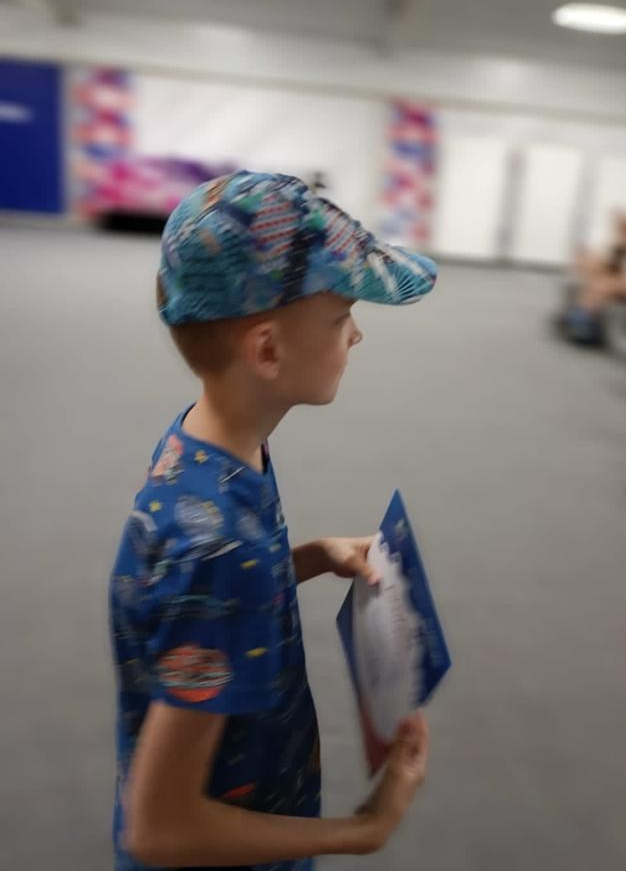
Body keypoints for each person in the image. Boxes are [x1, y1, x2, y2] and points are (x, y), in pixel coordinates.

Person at [110, 171, 437, 871]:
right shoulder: (220, 547)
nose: (356, 334)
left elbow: (194, 610)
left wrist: (309, 557)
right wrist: (362, 830)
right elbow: (159, 830)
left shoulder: (208, 445)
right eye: (341, 316)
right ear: (266, 350)